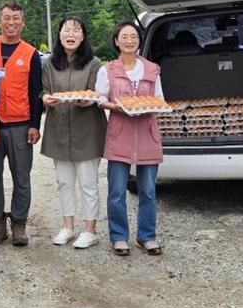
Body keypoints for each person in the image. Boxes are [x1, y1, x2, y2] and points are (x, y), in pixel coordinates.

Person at [97, 21, 164, 256]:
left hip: (147, 132)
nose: (129, 40)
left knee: (147, 189)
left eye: (133, 36)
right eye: (124, 36)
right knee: (116, 190)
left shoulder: (152, 69)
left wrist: (147, 106)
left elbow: (159, 99)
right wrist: (116, 107)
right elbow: (99, 99)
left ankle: (147, 236)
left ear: (139, 41)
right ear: (116, 41)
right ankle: (118, 237)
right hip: (119, 133)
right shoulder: (107, 70)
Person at [0, 2, 43, 246]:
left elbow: (35, 91)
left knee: (21, 177)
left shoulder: (30, 53)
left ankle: (19, 224)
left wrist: (35, 124)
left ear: (22, 23)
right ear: (0, 22)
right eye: (7, 18)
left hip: (20, 123)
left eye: (16, 18)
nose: (11, 23)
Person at [41, 16, 107, 249]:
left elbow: (97, 94)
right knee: (64, 182)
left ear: (83, 36)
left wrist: (86, 100)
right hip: (59, 128)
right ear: (59, 35)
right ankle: (68, 227)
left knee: (88, 183)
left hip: (86, 129)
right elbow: (45, 91)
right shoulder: (50, 62)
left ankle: (90, 230)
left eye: (76, 30)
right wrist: (46, 98)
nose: (71, 34)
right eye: (66, 30)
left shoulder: (94, 63)